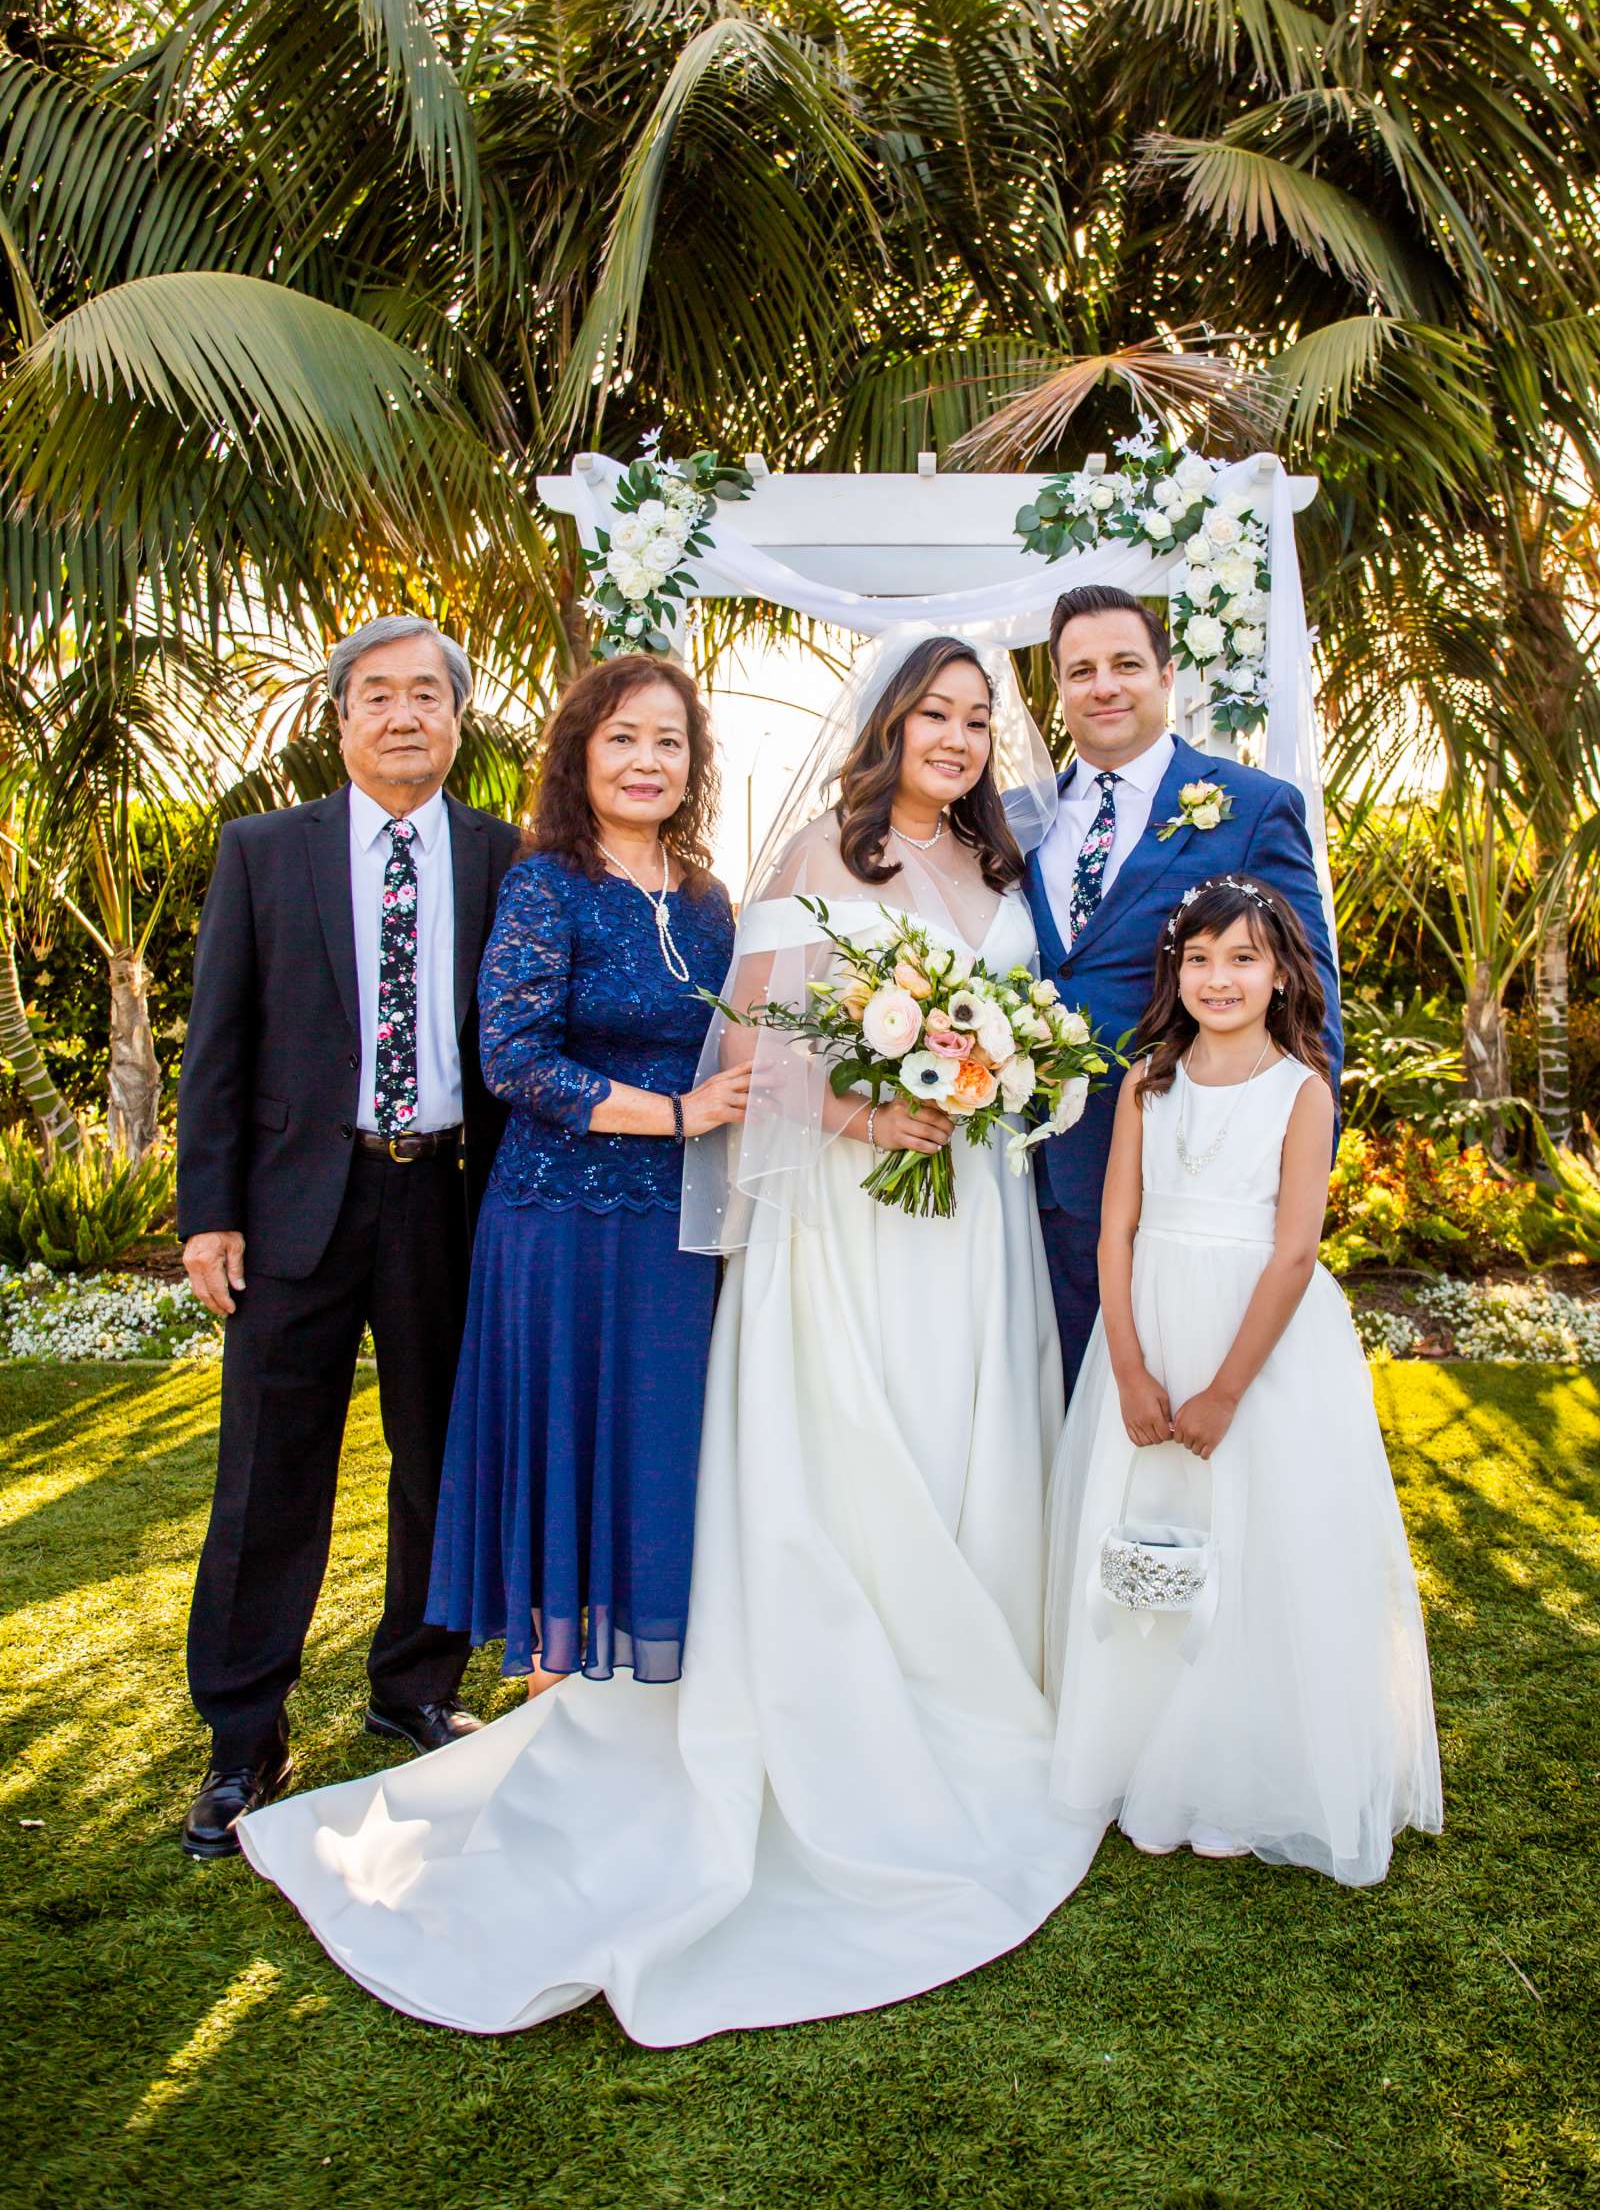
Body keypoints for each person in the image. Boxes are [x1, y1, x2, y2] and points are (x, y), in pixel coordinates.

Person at [237, 633, 1104, 2042]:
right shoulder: (693, 866)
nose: (952, 734)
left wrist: (983, 1074)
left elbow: (763, 1039)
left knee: (926, 1435)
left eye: (973, 716)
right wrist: (854, 1110)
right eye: (928, 712)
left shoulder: (860, 881)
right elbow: (704, 1054)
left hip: (953, 1218)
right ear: (883, 724)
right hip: (686, 1208)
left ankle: (961, 1684)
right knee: (817, 1451)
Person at [176, 616, 521, 1859]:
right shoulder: (265, 852)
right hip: (289, 1207)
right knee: (270, 1469)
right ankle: (241, 1733)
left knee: (442, 1452)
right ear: (339, 719)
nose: (401, 716)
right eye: (375, 695)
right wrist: (207, 1211)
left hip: (448, 1198)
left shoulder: (502, 855)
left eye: (426, 694)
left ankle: (414, 1686)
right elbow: (215, 1046)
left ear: (456, 717)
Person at [1045, 875, 1441, 1883]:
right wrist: (1130, 1367)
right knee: (1147, 1538)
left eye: (1241, 959)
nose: (1217, 977)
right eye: (1198, 958)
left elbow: (1295, 1253)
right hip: (1152, 1326)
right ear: (1174, 974)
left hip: (1257, 1345)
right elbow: (1116, 1228)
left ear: (1279, 975)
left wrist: (1223, 1389)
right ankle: (1137, 1757)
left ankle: (1235, 1772)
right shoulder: (1146, 1083)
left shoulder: (1302, 1091)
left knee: (1256, 1537)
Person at [425, 656, 744, 1693]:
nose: (646, 760)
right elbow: (513, 1059)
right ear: (578, 754)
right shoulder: (543, 880)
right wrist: (678, 1115)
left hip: (677, 1228)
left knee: (658, 1447)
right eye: (622, 737)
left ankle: (657, 1689)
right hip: (560, 1217)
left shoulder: (708, 900)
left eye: (668, 741)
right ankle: (553, 1693)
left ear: (694, 765)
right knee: (568, 1446)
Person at [1023, 584, 1342, 1395]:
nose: (1104, 685)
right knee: (1054, 1411)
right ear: (1058, 690)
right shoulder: (1015, 818)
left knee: (1184, 1404)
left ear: (1167, 676)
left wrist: (1297, 1166)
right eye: (1080, 670)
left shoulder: (1249, 807)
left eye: (1126, 664)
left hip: (1182, 1177)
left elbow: (1310, 994)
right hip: (1023, 1171)